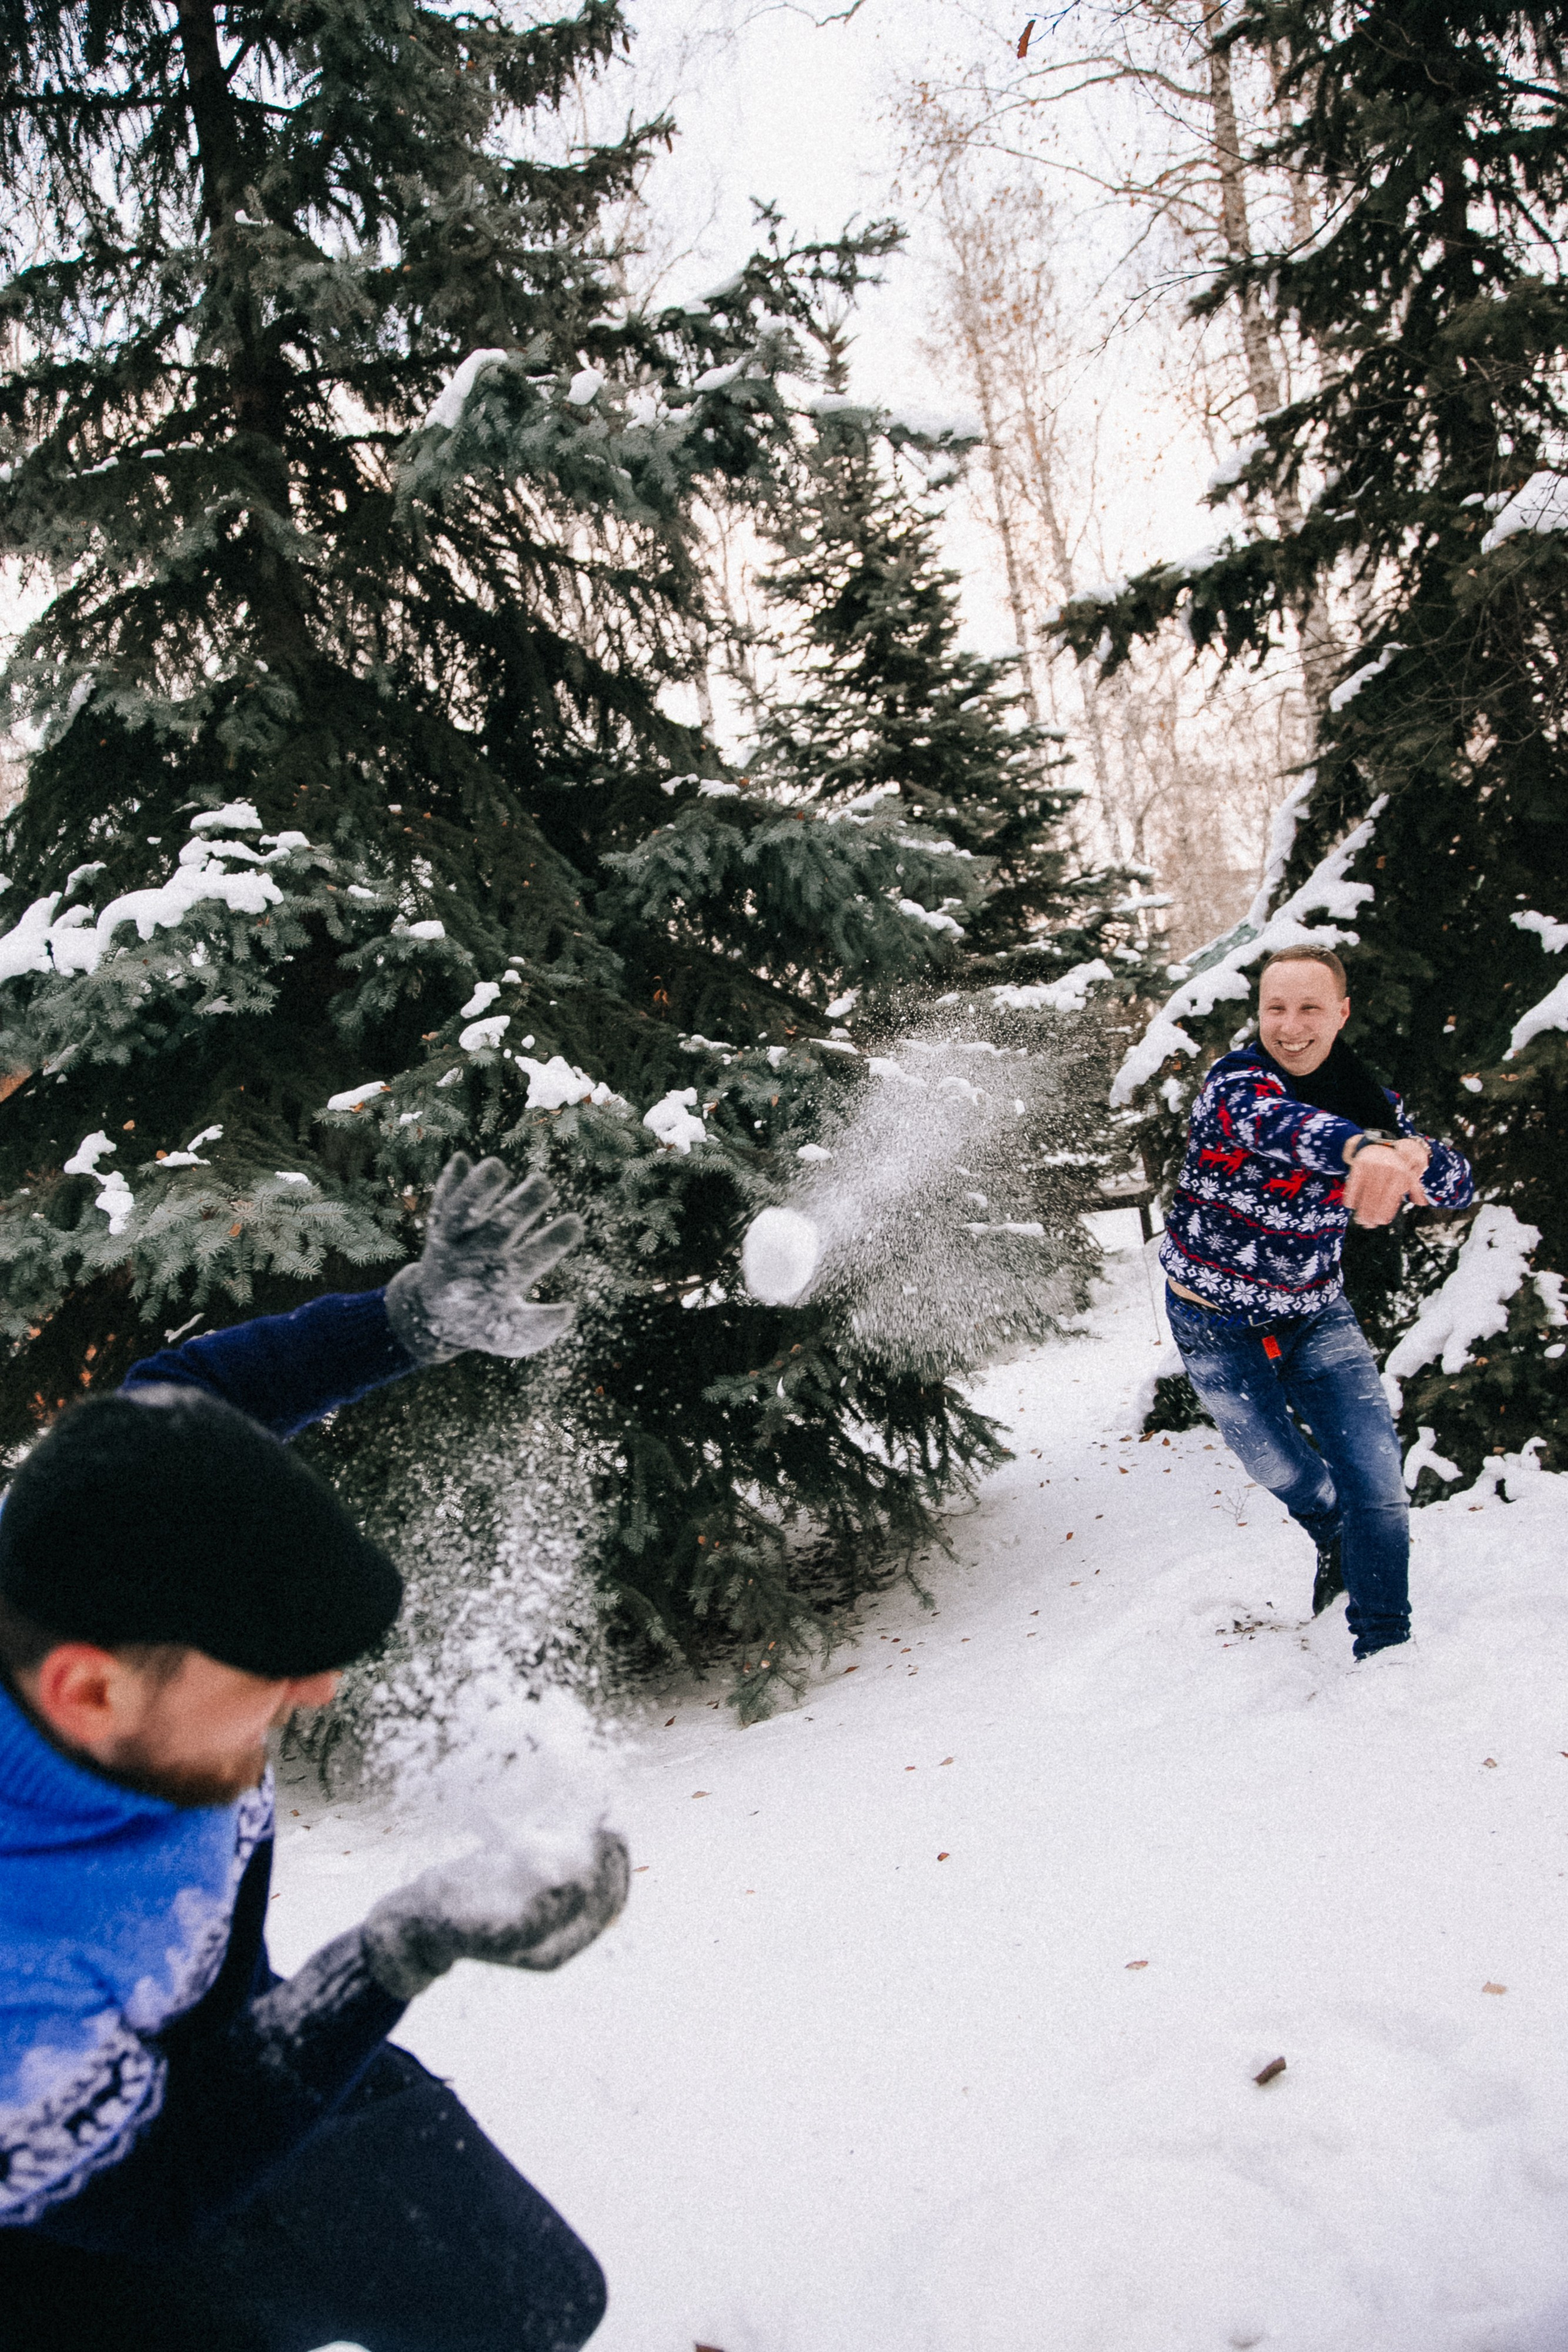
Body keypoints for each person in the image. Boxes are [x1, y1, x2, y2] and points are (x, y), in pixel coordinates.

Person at [0, 1155, 628, 2352]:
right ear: (90, 1691)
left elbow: (173, 1409)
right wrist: (390, 1955)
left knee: (532, 2302)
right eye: (266, 1670)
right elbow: (156, 2188)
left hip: (220, 2038)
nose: (320, 1690)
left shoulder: (58, 1565)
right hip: (79, 2223)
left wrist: (404, 1320)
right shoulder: (14, 1974)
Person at [1159, 945, 1474, 1657]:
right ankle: (1328, 1527)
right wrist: (1362, 1150)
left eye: (1308, 1008)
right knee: (1276, 1467)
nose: (1290, 1026)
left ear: (1341, 1013)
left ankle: (1384, 1645)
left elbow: (1456, 1185)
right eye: (1275, 1008)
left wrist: (1418, 1155)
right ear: (1259, 1013)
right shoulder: (1236, 1084)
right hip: (1213, 1321)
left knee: (1378, 1482)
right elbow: (1286, 1129)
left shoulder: (1375, 1107)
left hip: (1314, 1313)